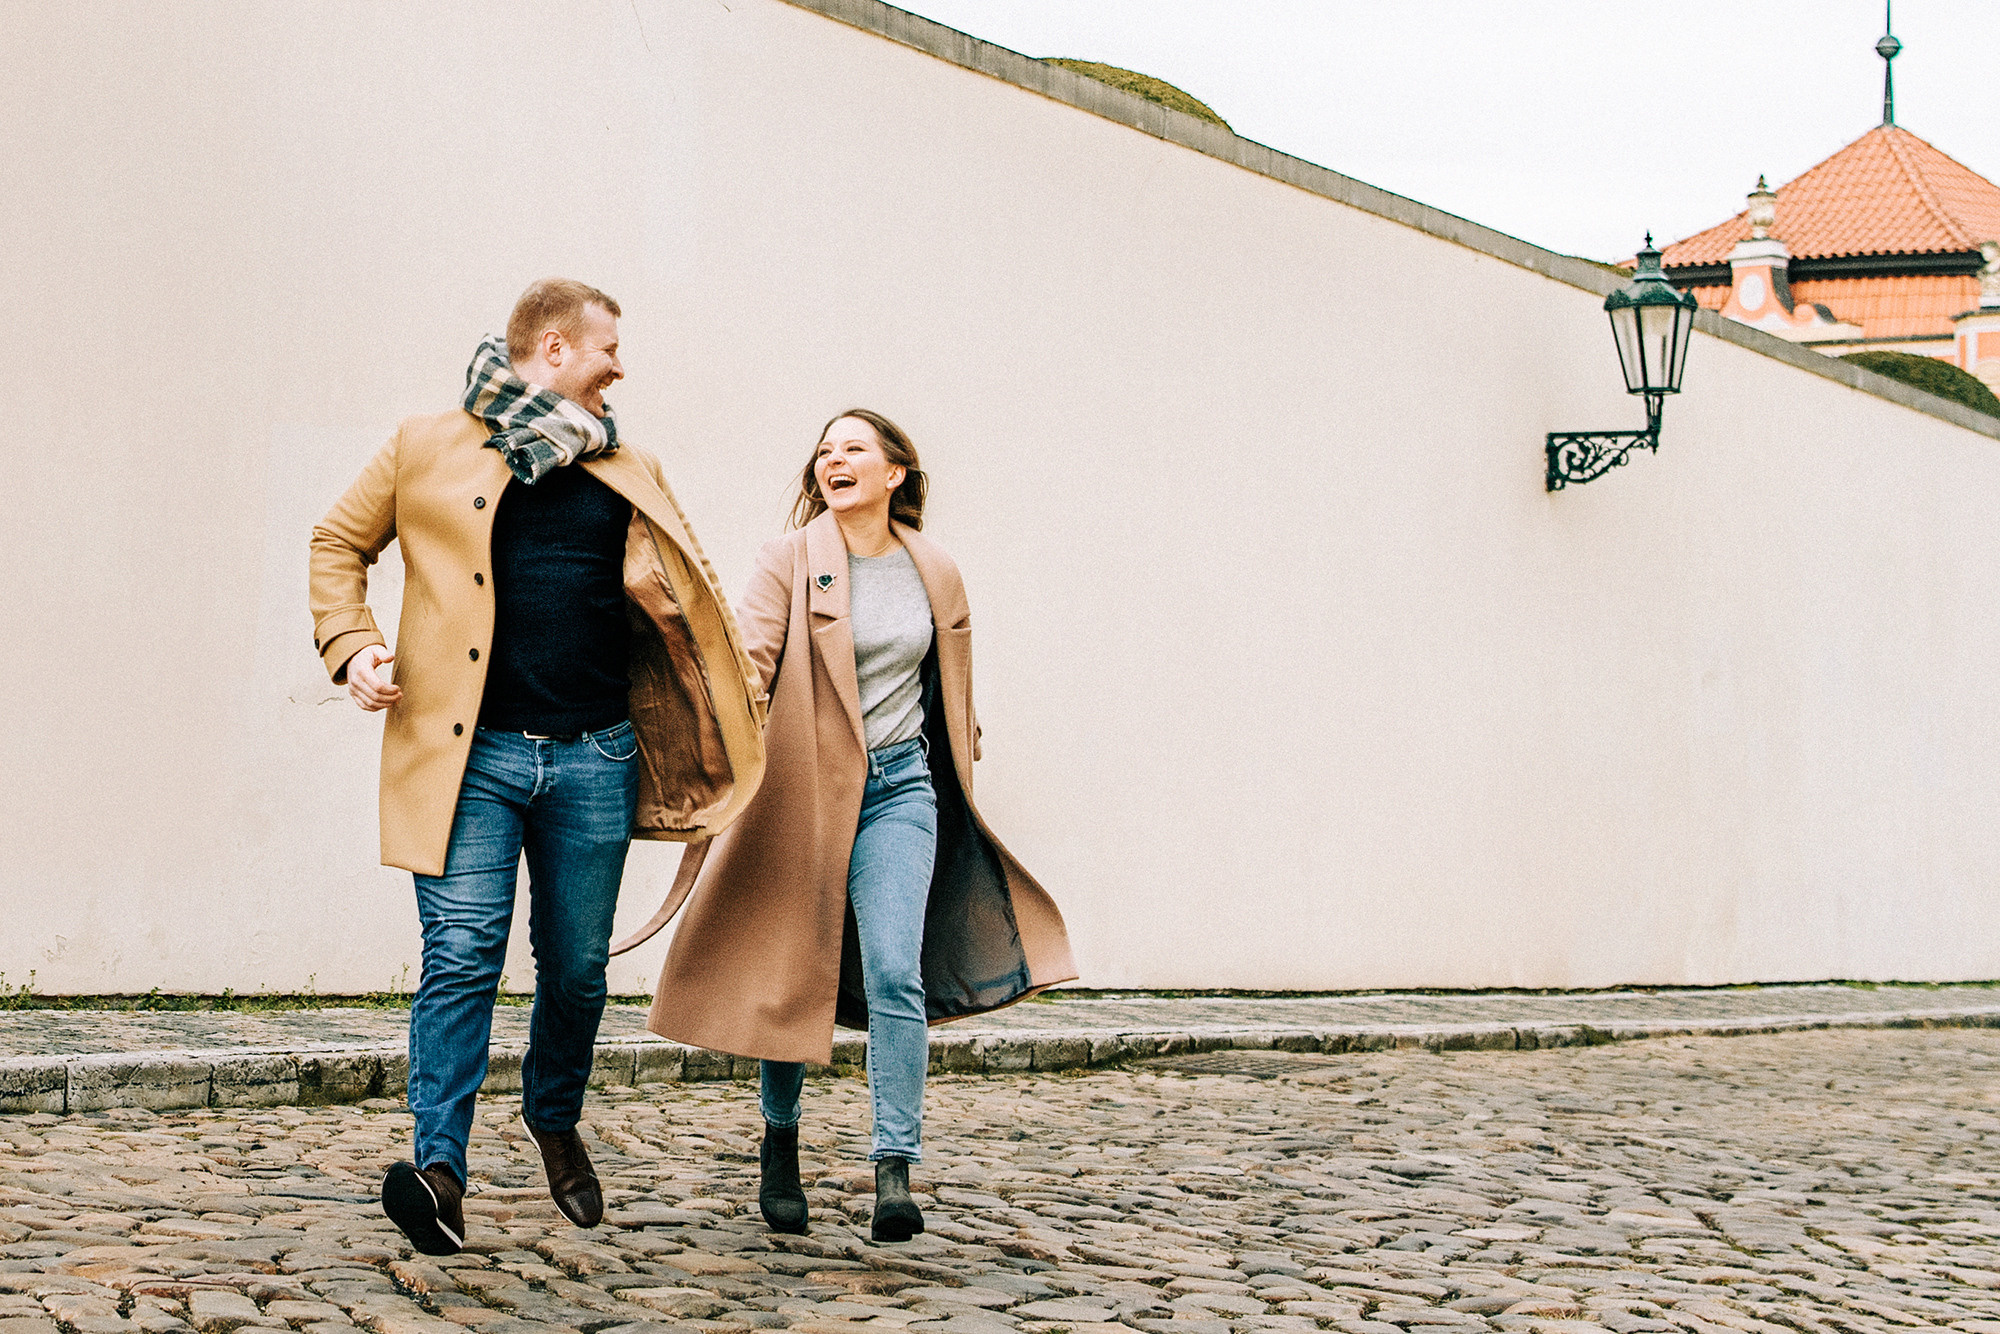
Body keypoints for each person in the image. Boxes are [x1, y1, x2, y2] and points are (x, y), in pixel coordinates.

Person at [308, 278, 765, 1256]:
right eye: (608, 349)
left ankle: (552, 1112)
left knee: (579, 971)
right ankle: (439, 1172)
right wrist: (353, 646)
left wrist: (729, 708)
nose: (619, 369)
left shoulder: (627, 464)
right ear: (554, 349)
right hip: (467, 757)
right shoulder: (424, 444)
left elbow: (689, 603)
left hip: (597, 756)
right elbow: (337, 540)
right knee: (462, 952)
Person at [611, 409, 1075, 1241]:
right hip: (802, 794)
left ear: (895, 472)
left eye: (853, 448)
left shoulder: (934, 568)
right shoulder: (790, 560)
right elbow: (750, 667)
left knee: (895, 968)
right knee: (797, 970)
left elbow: (947, 677)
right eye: (825, 451)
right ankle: (780, 1139)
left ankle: (894, 1169)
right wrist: (700, 743)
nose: (834, 460)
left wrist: (963, 735)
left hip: (901, 791)